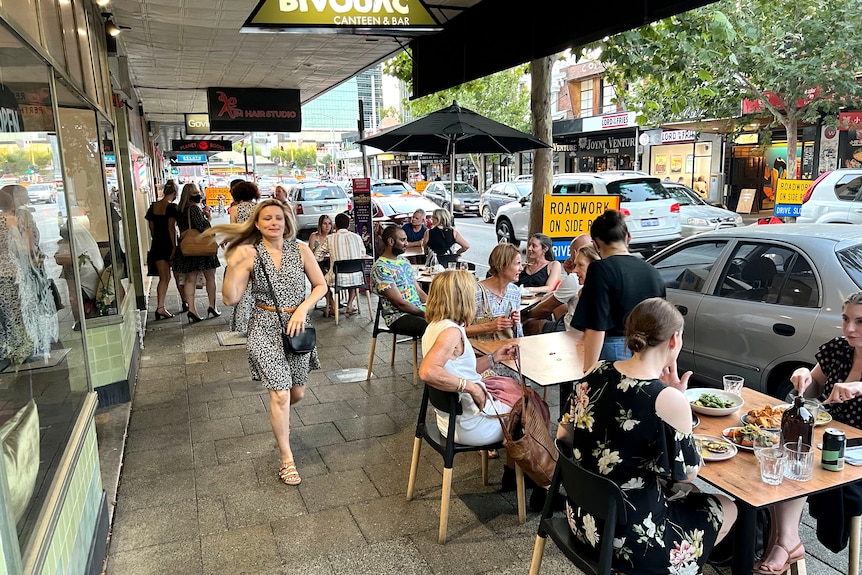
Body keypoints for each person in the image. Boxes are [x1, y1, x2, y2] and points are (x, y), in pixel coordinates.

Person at [557, 297, 737, 574]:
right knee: (727, 506)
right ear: (674, 339)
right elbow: (686, 474)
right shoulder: (666, 398)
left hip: (583, 521)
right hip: (632, 540)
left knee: (689, 496)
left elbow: (563, 436)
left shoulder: (596, 370)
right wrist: (677, 401)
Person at [211, 199, 328, 486]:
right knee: (280, 394)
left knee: (295, 393)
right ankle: (287, 459)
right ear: (257, 224)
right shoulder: (250, 254)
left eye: (278, 217)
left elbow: (321, 285)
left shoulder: (300, 249)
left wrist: (303, 308)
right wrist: (232, 263)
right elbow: (230, 298)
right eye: (266, 219)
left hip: (297, 327)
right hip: (264, 328)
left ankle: (281, 419)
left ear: (287, 221)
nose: (273, 222)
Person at [754, 291, 862, 574]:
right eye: (846, 319)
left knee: (797, 457)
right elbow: (812, 387)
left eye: (860, 322)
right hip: (826, 439)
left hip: (856, 454)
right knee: (781, 454)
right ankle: (783, 540)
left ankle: (784, 543)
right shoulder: (839, 348)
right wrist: (802, 376)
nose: (850, 329)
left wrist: (859, 386)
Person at [418, 270, 519, 445]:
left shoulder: (435, 326)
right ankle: (518, 471)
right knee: (530, 407)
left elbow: (462, 370)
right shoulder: (451, 332)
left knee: (522, 401)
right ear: (462, 298)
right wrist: (471, 387)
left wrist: (494, 357)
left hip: (450, 423)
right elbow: (427, 372)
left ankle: (515, 470)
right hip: (471, 427)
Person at [572, 209, 666, 369]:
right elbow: (663, 324)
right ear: (628, 237)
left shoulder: (599, 269)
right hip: (648, 353)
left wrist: (588, 373)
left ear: (595, 244)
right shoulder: (652, 271)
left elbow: (596, 327)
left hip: (615, 351)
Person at [522, 235, 597, 335]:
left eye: (580, 264)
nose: (529, 249)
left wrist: (526, 315)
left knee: (529, 325)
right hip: (572, 323)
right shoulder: (600, 279)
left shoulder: (561, 270)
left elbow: (547, 306)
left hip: (569, 329)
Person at [174, 183, 220, 323]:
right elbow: (204, 228)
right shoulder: (194, 208)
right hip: (202, 248)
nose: (199, 195)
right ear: (191, 194)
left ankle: (191, 309)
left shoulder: (180, 209)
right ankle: (212, 306)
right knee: (210, 277)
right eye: (196, 192)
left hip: (187, 248)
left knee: (190, 279)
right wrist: (209, 218)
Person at [371, 225, 427, 335]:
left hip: (417, 310)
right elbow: (399, 303)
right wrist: (425, 314)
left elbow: (419, 291)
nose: (406, 243)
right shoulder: (381, 268)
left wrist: (434, 306)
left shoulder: (404, 261)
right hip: (398, 317)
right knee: (436, 328)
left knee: (451, 319)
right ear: (391, 241)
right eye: (403, 240)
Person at [465, 242, 523, 341]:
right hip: (481, 353)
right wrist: (490, 326)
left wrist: (515, 323)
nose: (521, 268)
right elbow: (457, 331)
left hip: (506, 349)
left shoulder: (515, 291)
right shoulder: (475, 292)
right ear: (502, 265)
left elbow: (518, 335)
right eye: (517, 264)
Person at [227, 181, 260, 334]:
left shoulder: (234, 210)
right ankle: (255, 322)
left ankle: (241, 324)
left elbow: (234, 233)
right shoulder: (259, 208)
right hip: (258, 249)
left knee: (242, 288)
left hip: (241, 251)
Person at [145, 180, 180, 319]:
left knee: (163, 278)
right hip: (168, 244)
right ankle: (186, 302)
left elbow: (152, 229)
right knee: (177, 275)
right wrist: (173, 247)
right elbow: (171, 228)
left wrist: (157, 239)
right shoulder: (171, 208)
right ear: (174, 193)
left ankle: (160, 307)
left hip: (157, 244)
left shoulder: (152, 207)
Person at [325, 212, 365, 316]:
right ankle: (350, 305)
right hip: (357, 277)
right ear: (348, 225)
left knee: (321, 280)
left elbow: (317, 255)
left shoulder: (330, 238)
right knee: (352, 275)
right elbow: (363, 254)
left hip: (337, 278)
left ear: (335, 226)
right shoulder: (357, 237)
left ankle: (333, 306)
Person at [308, 215, 334, 315]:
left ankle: (331, 304)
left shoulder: (332, 237)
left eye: (329, 224)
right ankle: (332, 303)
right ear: (320, 225)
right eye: (324, 223)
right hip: (316, 264)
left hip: (330, 264)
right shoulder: (314, 236)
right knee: (322, 279)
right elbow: (310, 254)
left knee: (325, 277)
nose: (327, 226)